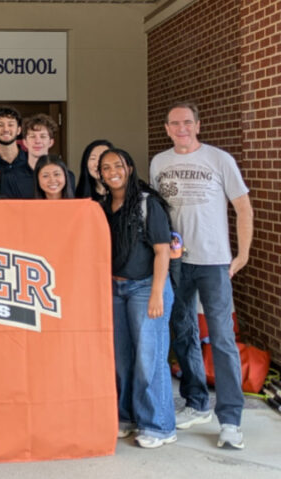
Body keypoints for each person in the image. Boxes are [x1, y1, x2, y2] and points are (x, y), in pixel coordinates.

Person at [150, 101, 253, 449]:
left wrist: (243, 253)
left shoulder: (219, 159)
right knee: (183, 333)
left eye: (187, 122)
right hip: (177, 261)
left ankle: (231, 420)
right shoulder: (159, 163)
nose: (181, 128)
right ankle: (196, 403)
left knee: (222, 338)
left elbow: (243, 207)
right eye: (175, 123)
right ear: (167, 128)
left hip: (213, 261)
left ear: (197, 125)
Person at [99, 147, 177, 449]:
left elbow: (162, 251)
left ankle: (159, 425)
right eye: (106, 168)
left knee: (149, 360)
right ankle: (129, 416)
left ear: (129, 168)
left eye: (118, 165)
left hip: (146, 288)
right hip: (115, 290)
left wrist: (157, 293)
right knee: (123, 360)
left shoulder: (147, 203)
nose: (112, 172)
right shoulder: (103, 207)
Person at [13, 114, 75, 198]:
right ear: (25, 142)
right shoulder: (11, 177)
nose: (37, 141)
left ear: (51, 142)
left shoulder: (67, 176)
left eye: (43, 136)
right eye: (32, 136)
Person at [0, 106, 29, 199]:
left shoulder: (32, 162)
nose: (6, 129)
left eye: (10, 125)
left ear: (18, 130)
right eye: (0, 125)